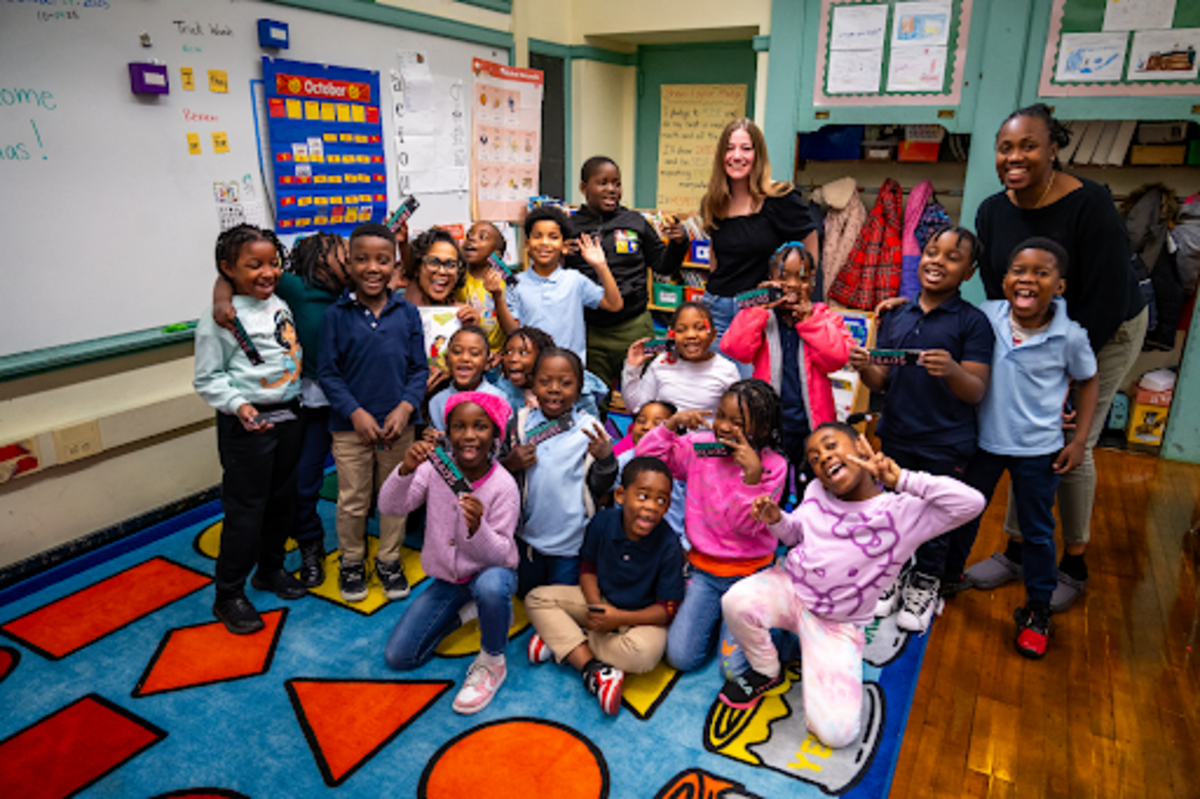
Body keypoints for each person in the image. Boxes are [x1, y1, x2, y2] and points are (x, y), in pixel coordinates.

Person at [969, 103, 1148, 611]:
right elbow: (998, 295)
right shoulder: (991, 210)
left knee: (1068, 441)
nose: (1015, 156)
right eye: (1006, 147)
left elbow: (1107, 300)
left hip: (1101, 333)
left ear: (1053, 149)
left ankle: (1074, 561)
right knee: (1021, 435)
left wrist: (1064, 378)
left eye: (1029, 145)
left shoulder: (1089, 204)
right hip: (1031, 335)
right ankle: (1018, 551)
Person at [718, 423, 985, 747]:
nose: (823, 459)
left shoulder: (901, 514)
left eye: (831, 446)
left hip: (835, 623)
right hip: (791, 589)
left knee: (837, 734)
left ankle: (802, 650)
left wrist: (902, 479)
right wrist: (777, 520)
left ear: (862, 446)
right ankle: (765, 669)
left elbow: (972, 503)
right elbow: (796, 536)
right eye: (814, 458)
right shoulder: (816, 490)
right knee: (735, 600)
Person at [944, 238, 1098, 658]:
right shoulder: (986, 316)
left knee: (1037, 531)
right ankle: (949, 574)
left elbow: (1088, 382)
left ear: (1059, 286)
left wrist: (1079, 440)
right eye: (1018, 270)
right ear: (1005, 278)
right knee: (963, 513)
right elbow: (946, 320)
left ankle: (1037, 608)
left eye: (1041, 272)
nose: (1027, 279)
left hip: (1038, 450)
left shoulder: (1071, 336)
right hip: (983, 443)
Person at [848, 225, 993, 631]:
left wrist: (951, 370)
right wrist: (866, 368)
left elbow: (976, 390)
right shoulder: (897, 316)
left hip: (945, 442)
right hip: (896, 433)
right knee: (895, 510)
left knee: (934, 516)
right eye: (932, 252)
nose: (938, 261)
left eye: (952, 257)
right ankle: (893, 574)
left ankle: (925, 581)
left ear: (969, 271)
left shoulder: (973, 323)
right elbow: (882, 383)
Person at [211, 232, 349, 588]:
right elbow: (239, 271)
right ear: (319, 261)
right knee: (302, 483)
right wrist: (220, 298)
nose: (353, 261)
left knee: (357, 484)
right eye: (344, 254)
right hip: (307, 406)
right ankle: (309, 544)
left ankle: (356, 551)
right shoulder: (297, 289)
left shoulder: (353, 292)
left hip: (351, 406)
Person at [194, 224, 308, 634]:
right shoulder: (219, 319)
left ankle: (270, 569)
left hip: (288, 415)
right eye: (253, 265)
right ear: (228, 270)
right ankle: (228, 594)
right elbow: (208, 378)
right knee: (246, 510)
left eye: (272, 263)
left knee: (282, 500)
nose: (267, 272)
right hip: (248, 424)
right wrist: (239, 406)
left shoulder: (277, 301)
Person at [380, 392, 520, 715]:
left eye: (480, 427)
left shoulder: (503, 486)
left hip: (492, 571)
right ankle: (469, 612)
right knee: (400, 656)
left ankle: (492, 661)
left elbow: (499, 554)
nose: (469, 435)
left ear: (495, 435)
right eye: (459, 427)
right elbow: (390, 506)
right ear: (447, 432)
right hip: (449, 579)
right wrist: (406, 469)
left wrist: (477, 528)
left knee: (491, 586)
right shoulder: (436, 469)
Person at [636, 379, 788, 674]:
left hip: (750, 575)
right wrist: (671, 425)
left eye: (739, 423)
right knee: (681, 658)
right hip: (704, 572)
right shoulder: (701, 447)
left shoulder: (773, 466)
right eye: (721, 416)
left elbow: (747, 526)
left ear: (764, 429)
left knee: (733, 669)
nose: (725, 427)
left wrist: (752, 478)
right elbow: (647, 460)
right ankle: (723, 615)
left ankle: (781, 626)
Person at [524, 456, 685, 715]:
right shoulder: (603, 521)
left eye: (661, 500)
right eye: (643, 496)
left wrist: (618, 618)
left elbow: (667, 609)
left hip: (642, 618)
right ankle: (594, 669)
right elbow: (587, 568)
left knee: (644, 656)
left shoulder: (669, 546)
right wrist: (595, 606)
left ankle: (564, 642)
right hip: (602, 602)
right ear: (620, 495)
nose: (652, 507)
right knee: (537, 599)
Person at [319, 223, 426, 605]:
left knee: (395, 497)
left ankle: (389, 558)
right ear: (349, 264)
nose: (372, 267)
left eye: (383, 260)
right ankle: (352, 560)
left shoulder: (408, 313)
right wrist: (356, 414)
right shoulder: (336, 315)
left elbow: (419, 370)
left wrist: (404, 407)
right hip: (351, 429)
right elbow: (328, 373)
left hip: (399, 426)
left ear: (395, 264)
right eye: (362, 259)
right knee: (352, 497)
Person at [663, 118, 820, 376]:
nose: (737, 156)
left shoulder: (779, 198)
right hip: (716, 307)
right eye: (730, 148)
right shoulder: (713, 201)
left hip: (757, 308)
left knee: (751, 393)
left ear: (757, 154)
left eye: (746, 148)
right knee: (714, 387)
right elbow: (715, 255)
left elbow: (809, 244)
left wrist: (802, 291)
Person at [720, 242, 852, 471]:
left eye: (801, 277)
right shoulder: (762, 316)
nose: (792, 284)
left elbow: (838, 358)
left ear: (812, 282)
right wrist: (757, 309)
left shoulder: (825, 316)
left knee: (812, 483)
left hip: (812, 424)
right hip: (769, 424)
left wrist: (810, 321)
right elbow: (734, 348)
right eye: (783, 276)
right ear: (770, 279)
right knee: (771, 482)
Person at [500, 347, 619, 597]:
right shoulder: (519, 425)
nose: (554, 388)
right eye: (545, 381)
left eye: (565, 383)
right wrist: (510, 463)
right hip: (528, 537)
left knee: (557, 602)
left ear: (579, 388)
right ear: (532, 383)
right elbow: (496, 478)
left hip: (571, 545)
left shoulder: (590, 430)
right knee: (525, 596)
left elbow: (601, 486)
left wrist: (605, 458)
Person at [566, 156, 673, 406]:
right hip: (590, 331)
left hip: (635, 325)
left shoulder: (636, 221)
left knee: (647, 400)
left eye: (616, 183)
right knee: (591, 401)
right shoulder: (570, 227)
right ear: (584, 188)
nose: (611, 189)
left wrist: (678, 245)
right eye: (602, 183)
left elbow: (662, 265)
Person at [495, 205, 623, 364]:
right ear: (527, 245)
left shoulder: (574, 280)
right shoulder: (516, 283)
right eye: (537, 236)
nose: (544, 243)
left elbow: (614, 304)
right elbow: (512, 331)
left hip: (569, 370)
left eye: (553, 237)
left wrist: (601, 266)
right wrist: (497, 296)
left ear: (564, 246)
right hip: (531, 370)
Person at [620, 301, 741, 418]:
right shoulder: (662, 363)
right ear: (672, 336)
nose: (691, 335)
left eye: (699, 328)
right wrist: (632, 368)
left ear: (713, 335)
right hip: (664, 436)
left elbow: (734, 418)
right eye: (681, 330)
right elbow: (636, 408)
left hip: (704, 437)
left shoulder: (727, 370)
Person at [495, 325, 607, 419]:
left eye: (523, 353)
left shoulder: (578, 392)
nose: (513, 358)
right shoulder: (503, 387)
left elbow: (592, 429)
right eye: (508, 352)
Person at [425, 325, 507, 432]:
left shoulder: (499, 399)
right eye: (457, 352)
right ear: (446, 360)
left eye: (474, 353)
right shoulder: (436, 402)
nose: (464, 358)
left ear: (487, 363)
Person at [458, 221, 510, 356]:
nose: (472, 239)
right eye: (469, 235)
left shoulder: (505, 284)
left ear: (496, 255)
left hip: (496, 357)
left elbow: (513, 327)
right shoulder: (457, 277)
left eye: (482, 237)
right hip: (466, 354)